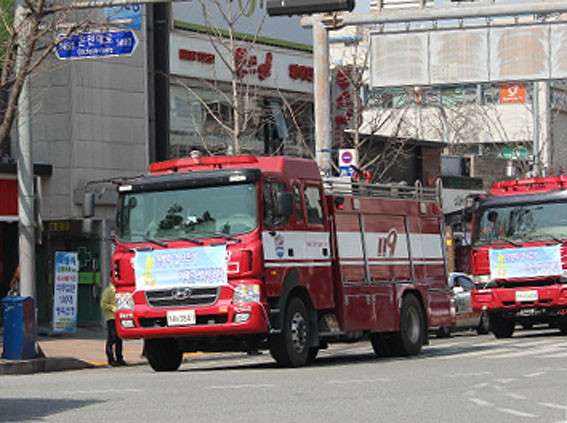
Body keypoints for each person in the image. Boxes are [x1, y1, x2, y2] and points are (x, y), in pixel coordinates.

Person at [101, 282, 126, 366]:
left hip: (119, 317)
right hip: (111, 317)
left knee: (119, 339)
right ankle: (111, 359)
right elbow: (103, 304)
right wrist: (113, 308)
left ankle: (119, 358)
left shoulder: (120, 290)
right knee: (112, 338)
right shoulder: (109, 291)